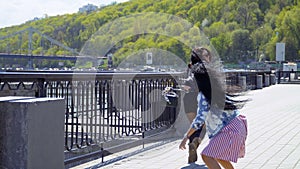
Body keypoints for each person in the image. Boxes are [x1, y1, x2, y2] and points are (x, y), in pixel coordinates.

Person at [179, 47, 248, 169]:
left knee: (206, 155)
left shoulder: (203, 96)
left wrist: (186, 137)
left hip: (229, 130)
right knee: (219, 156)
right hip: (237, 125)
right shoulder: (215, 90)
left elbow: (199, 121)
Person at [182, 66, 206, 163]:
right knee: (203, 127)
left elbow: (184, 88)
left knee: (193, 125)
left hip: (189, 100)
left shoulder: (189, 79)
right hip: (200, 100)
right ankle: (196, 142)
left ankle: (191, 147)